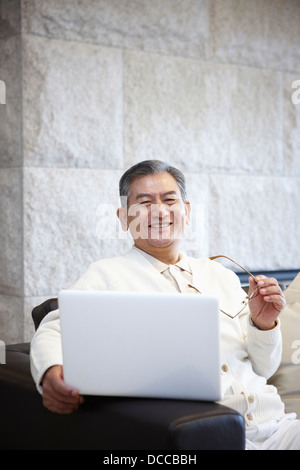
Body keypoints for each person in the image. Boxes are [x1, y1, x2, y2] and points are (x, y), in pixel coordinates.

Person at [30, 159, 300, 450]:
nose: (159, 211)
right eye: (144, 202)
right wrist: (50, 372)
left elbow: (264, 368)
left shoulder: (221, 275)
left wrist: (262, 324)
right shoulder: (106, 274)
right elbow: (54, 328)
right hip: (210, 433)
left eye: (169, 200)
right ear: (123, 217)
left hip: (279, 424)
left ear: (186, 211)